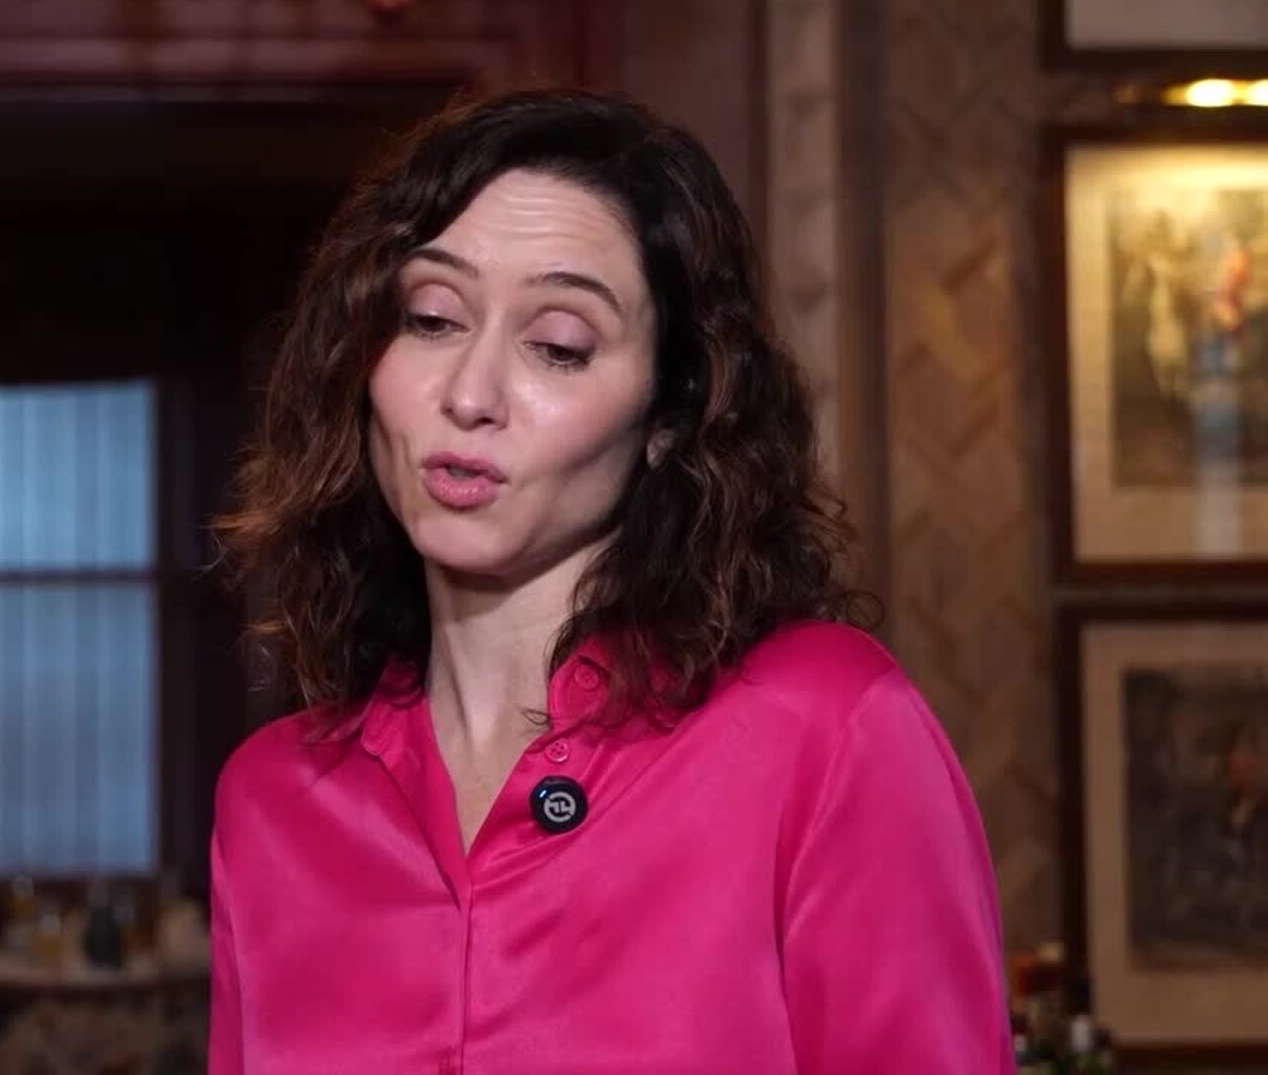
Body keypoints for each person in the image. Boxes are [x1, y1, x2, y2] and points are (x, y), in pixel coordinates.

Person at [208, 89, 1011, 1073]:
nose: (469, 394)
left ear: (670, 415)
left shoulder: (825, 727)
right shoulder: (273, 799)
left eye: (559, 346)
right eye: (431, 319)